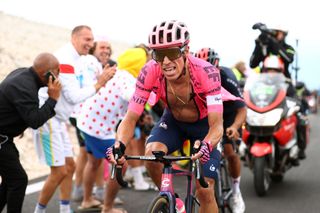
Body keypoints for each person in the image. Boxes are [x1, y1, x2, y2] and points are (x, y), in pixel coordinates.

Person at [107, 20, 227, 213]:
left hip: (204, 126)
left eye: (171, 53)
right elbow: (130, 117)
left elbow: (217, 126)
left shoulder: (207, 72)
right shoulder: (149, 71)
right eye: (159, 54)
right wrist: (119, 145)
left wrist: (207, 145)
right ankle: (174, 203)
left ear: (186, 50)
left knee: (205, 189)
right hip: (173, 122)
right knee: (151, 156)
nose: (165, 62)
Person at [33, 25, 116, 213]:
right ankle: (39, 210)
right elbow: (73, 97)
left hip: (59, 120)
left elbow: (83, 88)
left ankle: (65, 208)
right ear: (74, 38)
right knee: (60, 171)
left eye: (91, 40)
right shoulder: (65, 59)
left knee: (70, 166)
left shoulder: (78, 59)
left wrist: (100, 81)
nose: (90, 43)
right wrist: (101, 82)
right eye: (86, 39)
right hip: (48, 119)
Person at [77, 47, 148, 213]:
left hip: (88, 121)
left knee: (93, 162)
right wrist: (148, 92)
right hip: (98, 128)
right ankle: (107, 208)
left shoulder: (119, 72)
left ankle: (87, 200)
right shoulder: (128, 79)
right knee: (121, 165)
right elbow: (129, 95)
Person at [0, 53, 61, 213]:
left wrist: (17, 124)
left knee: (10, 180)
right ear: (46, 74)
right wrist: (52, 99)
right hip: (1, 140)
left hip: (5, 138)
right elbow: (35, 121)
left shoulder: (22, 73)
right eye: (57, 71)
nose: (59, 75)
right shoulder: (25, 87)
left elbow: (13, 104)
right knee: (19, 180)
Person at [195, 48, 246, 213]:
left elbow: (242, 109)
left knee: (230, 151)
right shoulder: (193, 77)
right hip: (209, 116)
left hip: (229, 114)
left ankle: (236, 191)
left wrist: (234, 127)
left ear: (217, 68)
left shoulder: (227, 77)